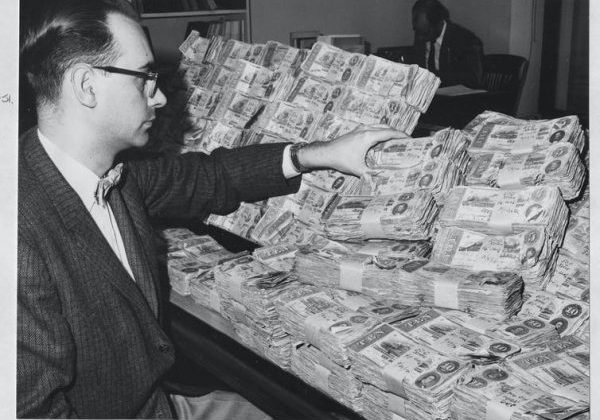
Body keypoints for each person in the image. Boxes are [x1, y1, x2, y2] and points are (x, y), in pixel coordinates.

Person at [18, 0, 402, 418]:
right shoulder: (18, 232)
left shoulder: (110, 172)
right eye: (145, 78)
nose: (160, 96)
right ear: (86, 86)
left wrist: (319, 154)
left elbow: (210, 177)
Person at [410, 0, 484, 88]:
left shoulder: (466, 41)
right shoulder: (421, 34)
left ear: (439, 24)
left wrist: (436, 78)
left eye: (426, 33)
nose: (421, 38)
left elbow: (473, 79)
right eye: (417, 31)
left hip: (455, 98)